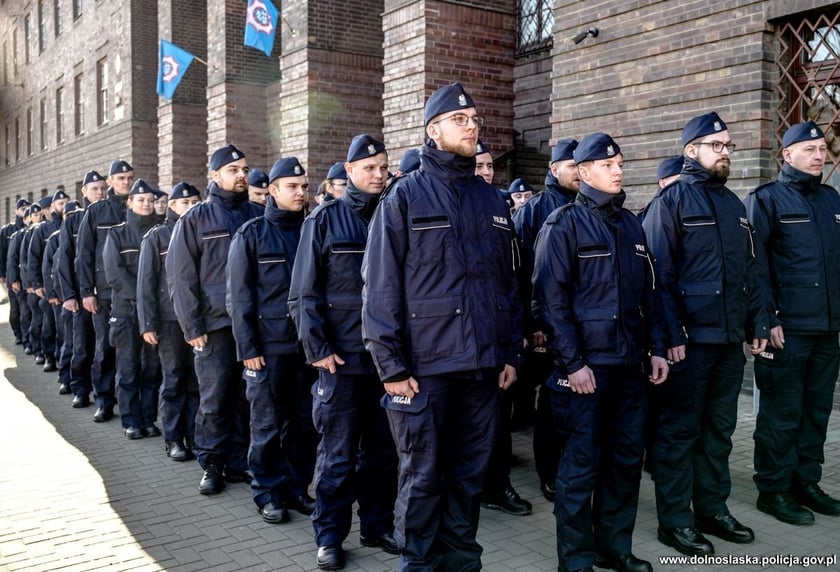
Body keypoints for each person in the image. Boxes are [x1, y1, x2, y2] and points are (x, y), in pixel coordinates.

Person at [362, 83, 523, 572]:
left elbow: (508, 284)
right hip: (425, 369)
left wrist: (509, 353)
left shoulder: (491, 200)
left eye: (475, 119)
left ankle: (462, 564)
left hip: (482, 367)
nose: (472, 126)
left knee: (469, 477)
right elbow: (380, 286)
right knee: (424, 477)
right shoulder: (405, 196)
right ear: (433, 130)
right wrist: (390, 366)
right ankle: (419, 565)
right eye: (460, 119)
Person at [532, 132, 668, 572]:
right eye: (608, 165)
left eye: (620, 164)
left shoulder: (630, 225)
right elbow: (550, 302)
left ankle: (615, 549)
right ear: (584, 171)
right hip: (586, 372)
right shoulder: (563, 224)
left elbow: (649, 294)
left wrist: (657, 348)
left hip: (629, 368)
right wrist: (572, 364)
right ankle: (576, 561)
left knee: (624, 464)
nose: (617, 171)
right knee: (580, 469)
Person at [642, 112, 769, 556]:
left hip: (728, 341)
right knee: (679, 433)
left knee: (719, 430)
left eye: (728, 146)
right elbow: (656, 277)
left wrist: (756, 323)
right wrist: (669, 336)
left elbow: (750, 271)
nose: (725, 152)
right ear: (691, 150)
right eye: (717, 145)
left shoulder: (734, 206)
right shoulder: (671, 202)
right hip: (688, 344)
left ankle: (711, 509)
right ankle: (675, 521)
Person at [289, 134, 398, 570]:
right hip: (342, 361)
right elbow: (303, 293)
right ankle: (330, 535)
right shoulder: (324, 220)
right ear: (349, 171)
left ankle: (377, 525)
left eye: (383, 167)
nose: (378, 175)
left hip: (387, 363)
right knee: (337, 455)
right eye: (369, 168)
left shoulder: (394, 213)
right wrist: (318, 349)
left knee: (383, 453)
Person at [745, 121, 840, 525]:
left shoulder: (831, 199)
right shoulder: (766, 199)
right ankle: (774, 489)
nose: (820, 155)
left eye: (822, 148)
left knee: (815, 412)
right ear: (787, 154)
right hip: (787, 330)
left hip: (827, 329)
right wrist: (766, 320)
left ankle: (806, 483)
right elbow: (754, 266)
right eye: (809, 149)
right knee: (781, 414)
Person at [167, 144, 263, 494]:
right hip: (215, 325)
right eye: (233, 170)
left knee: (246, 396)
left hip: (252, 324)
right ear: (214, 175)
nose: (241, 175)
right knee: (214, 397)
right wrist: (192, 326)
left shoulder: (257, 214)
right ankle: (212, 464)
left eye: (245, 170)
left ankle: (239, 462)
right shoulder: (196, 218)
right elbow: (181, 277)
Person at [228, 157, 318, 525]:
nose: (300, 193)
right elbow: (239, 297)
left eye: (304, 187)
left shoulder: (313, 230)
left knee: (304, 425)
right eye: (292, 187)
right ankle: (267, 492)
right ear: (273, 191)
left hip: (306, 349)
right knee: (266, 426)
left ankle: (297, 489)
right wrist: (248, 348)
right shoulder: (251, 235)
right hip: (267, 350)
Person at [512, 138, 579, 502]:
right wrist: (533, 324)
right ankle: (549, 473)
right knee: (551, 404)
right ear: (554, 169)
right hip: (546, 328)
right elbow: (523, 273)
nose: (579, 172)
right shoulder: (534, 211)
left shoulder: (588, 207)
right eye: (572, 166)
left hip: (579, 326)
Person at [137, 182, 201, 461]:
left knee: (197, 381)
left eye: (195, 202)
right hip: (169, 319)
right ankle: (174, 438)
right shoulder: (157, 236)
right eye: (185, 203)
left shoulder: (202, 231)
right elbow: (146, 282)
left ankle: (195, 435)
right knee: (174, 379)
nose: (191, 207)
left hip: (197, 319)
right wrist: (148, 323)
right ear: (172, 206)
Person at [103, 179, 163, 440]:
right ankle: (130, 421)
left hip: (154, 313)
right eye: (140, 200)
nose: (146, 204)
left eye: (150, 200)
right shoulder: (117, 234)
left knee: (152, 369)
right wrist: (142, 300)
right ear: (129, 203)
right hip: (126, 311)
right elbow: (114, 276)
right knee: (128, 369)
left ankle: (148, 419)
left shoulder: (160, 232)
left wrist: (151, 304)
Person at [76, 160, 134, 422]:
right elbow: (84, 254)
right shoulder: (97, 211)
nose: (126, 182)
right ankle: (104, 401)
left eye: (129, 177)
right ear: (110, 181)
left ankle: (132, 404)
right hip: (104, 293)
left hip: (133, 292)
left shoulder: (138, 206)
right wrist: (87, 291)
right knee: (105, 349)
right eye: (120, 178)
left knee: (134, 352)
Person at [57, 170, 107, 408]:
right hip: (81, 294)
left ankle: (104, 393)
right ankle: (80, 389)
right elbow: (64, 259)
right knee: (82, 345)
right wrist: (68, 295)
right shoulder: (73, 221)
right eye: (94, 189)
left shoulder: (111, 214)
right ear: (84, 191)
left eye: (103, 188)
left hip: (105, 293)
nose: (99, 192)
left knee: (104, 347)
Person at [28, 189, 70, 373]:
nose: (64, 207)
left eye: (66, 203)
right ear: (53, 207)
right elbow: (34, 259)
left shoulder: (74, 224)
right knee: (49, 324)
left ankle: (62, 360)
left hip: (67, 286)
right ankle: (49, 356)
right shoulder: (43, 230)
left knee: (64, 328)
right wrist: (36, 284)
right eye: (60, 204)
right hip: (49, 286)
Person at [0, 198, 30, 344]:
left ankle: (26, 335)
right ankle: (18, 333)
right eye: (22, 209)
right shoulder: (7, 231)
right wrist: (2, 274)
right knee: (15, 308)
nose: (25, 211)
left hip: (27, 274)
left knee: (26, 308)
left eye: (27, 209)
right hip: (12, 273)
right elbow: (2, 253)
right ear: (16, 211)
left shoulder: (31, 229)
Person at [7, 205, 36, 355]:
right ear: (25, 220)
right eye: (32, 216)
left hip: (35, 281)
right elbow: (12, 260)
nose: (36, 218)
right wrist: (13, 280)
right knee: (24, 312)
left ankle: (34, 342)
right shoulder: (18, 236)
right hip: (21, 280)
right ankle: (26, 341)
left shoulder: (38, 232)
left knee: (34, 314)